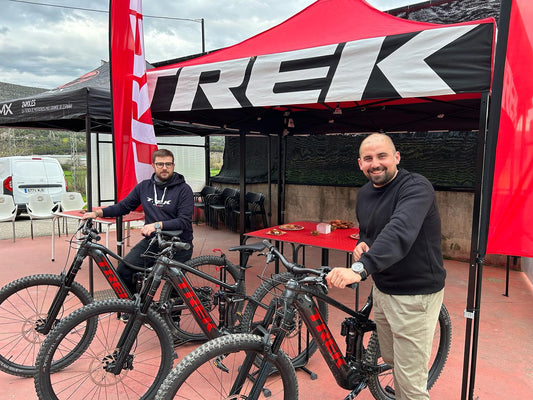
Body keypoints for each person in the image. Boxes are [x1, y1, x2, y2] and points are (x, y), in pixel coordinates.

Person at [325, 133, 446, 399]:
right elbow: (372, 232)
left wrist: (359, 268)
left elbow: (400, 229)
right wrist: (363, 244)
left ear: (396, 157)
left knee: (410, 385)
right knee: (391, 357)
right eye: (368, 158)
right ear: (360, 164)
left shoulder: (416, 187)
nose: (375, 163)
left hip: (415, 295)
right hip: (383, 288)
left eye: (382, 156)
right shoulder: (365, 193)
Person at [83, 148, 194, 294]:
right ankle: (136, 309)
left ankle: (174, 317)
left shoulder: (184, 189)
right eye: (160, 164)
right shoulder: (144, 187)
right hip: (153, 242)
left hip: (178, 244)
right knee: (124, 270)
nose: (164, 168)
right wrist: (97, 213)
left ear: (173, 166)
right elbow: (123, 206)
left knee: (172, 287)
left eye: (168, 164)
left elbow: (184, 221)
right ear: (153, 166)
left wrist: (157, 225)